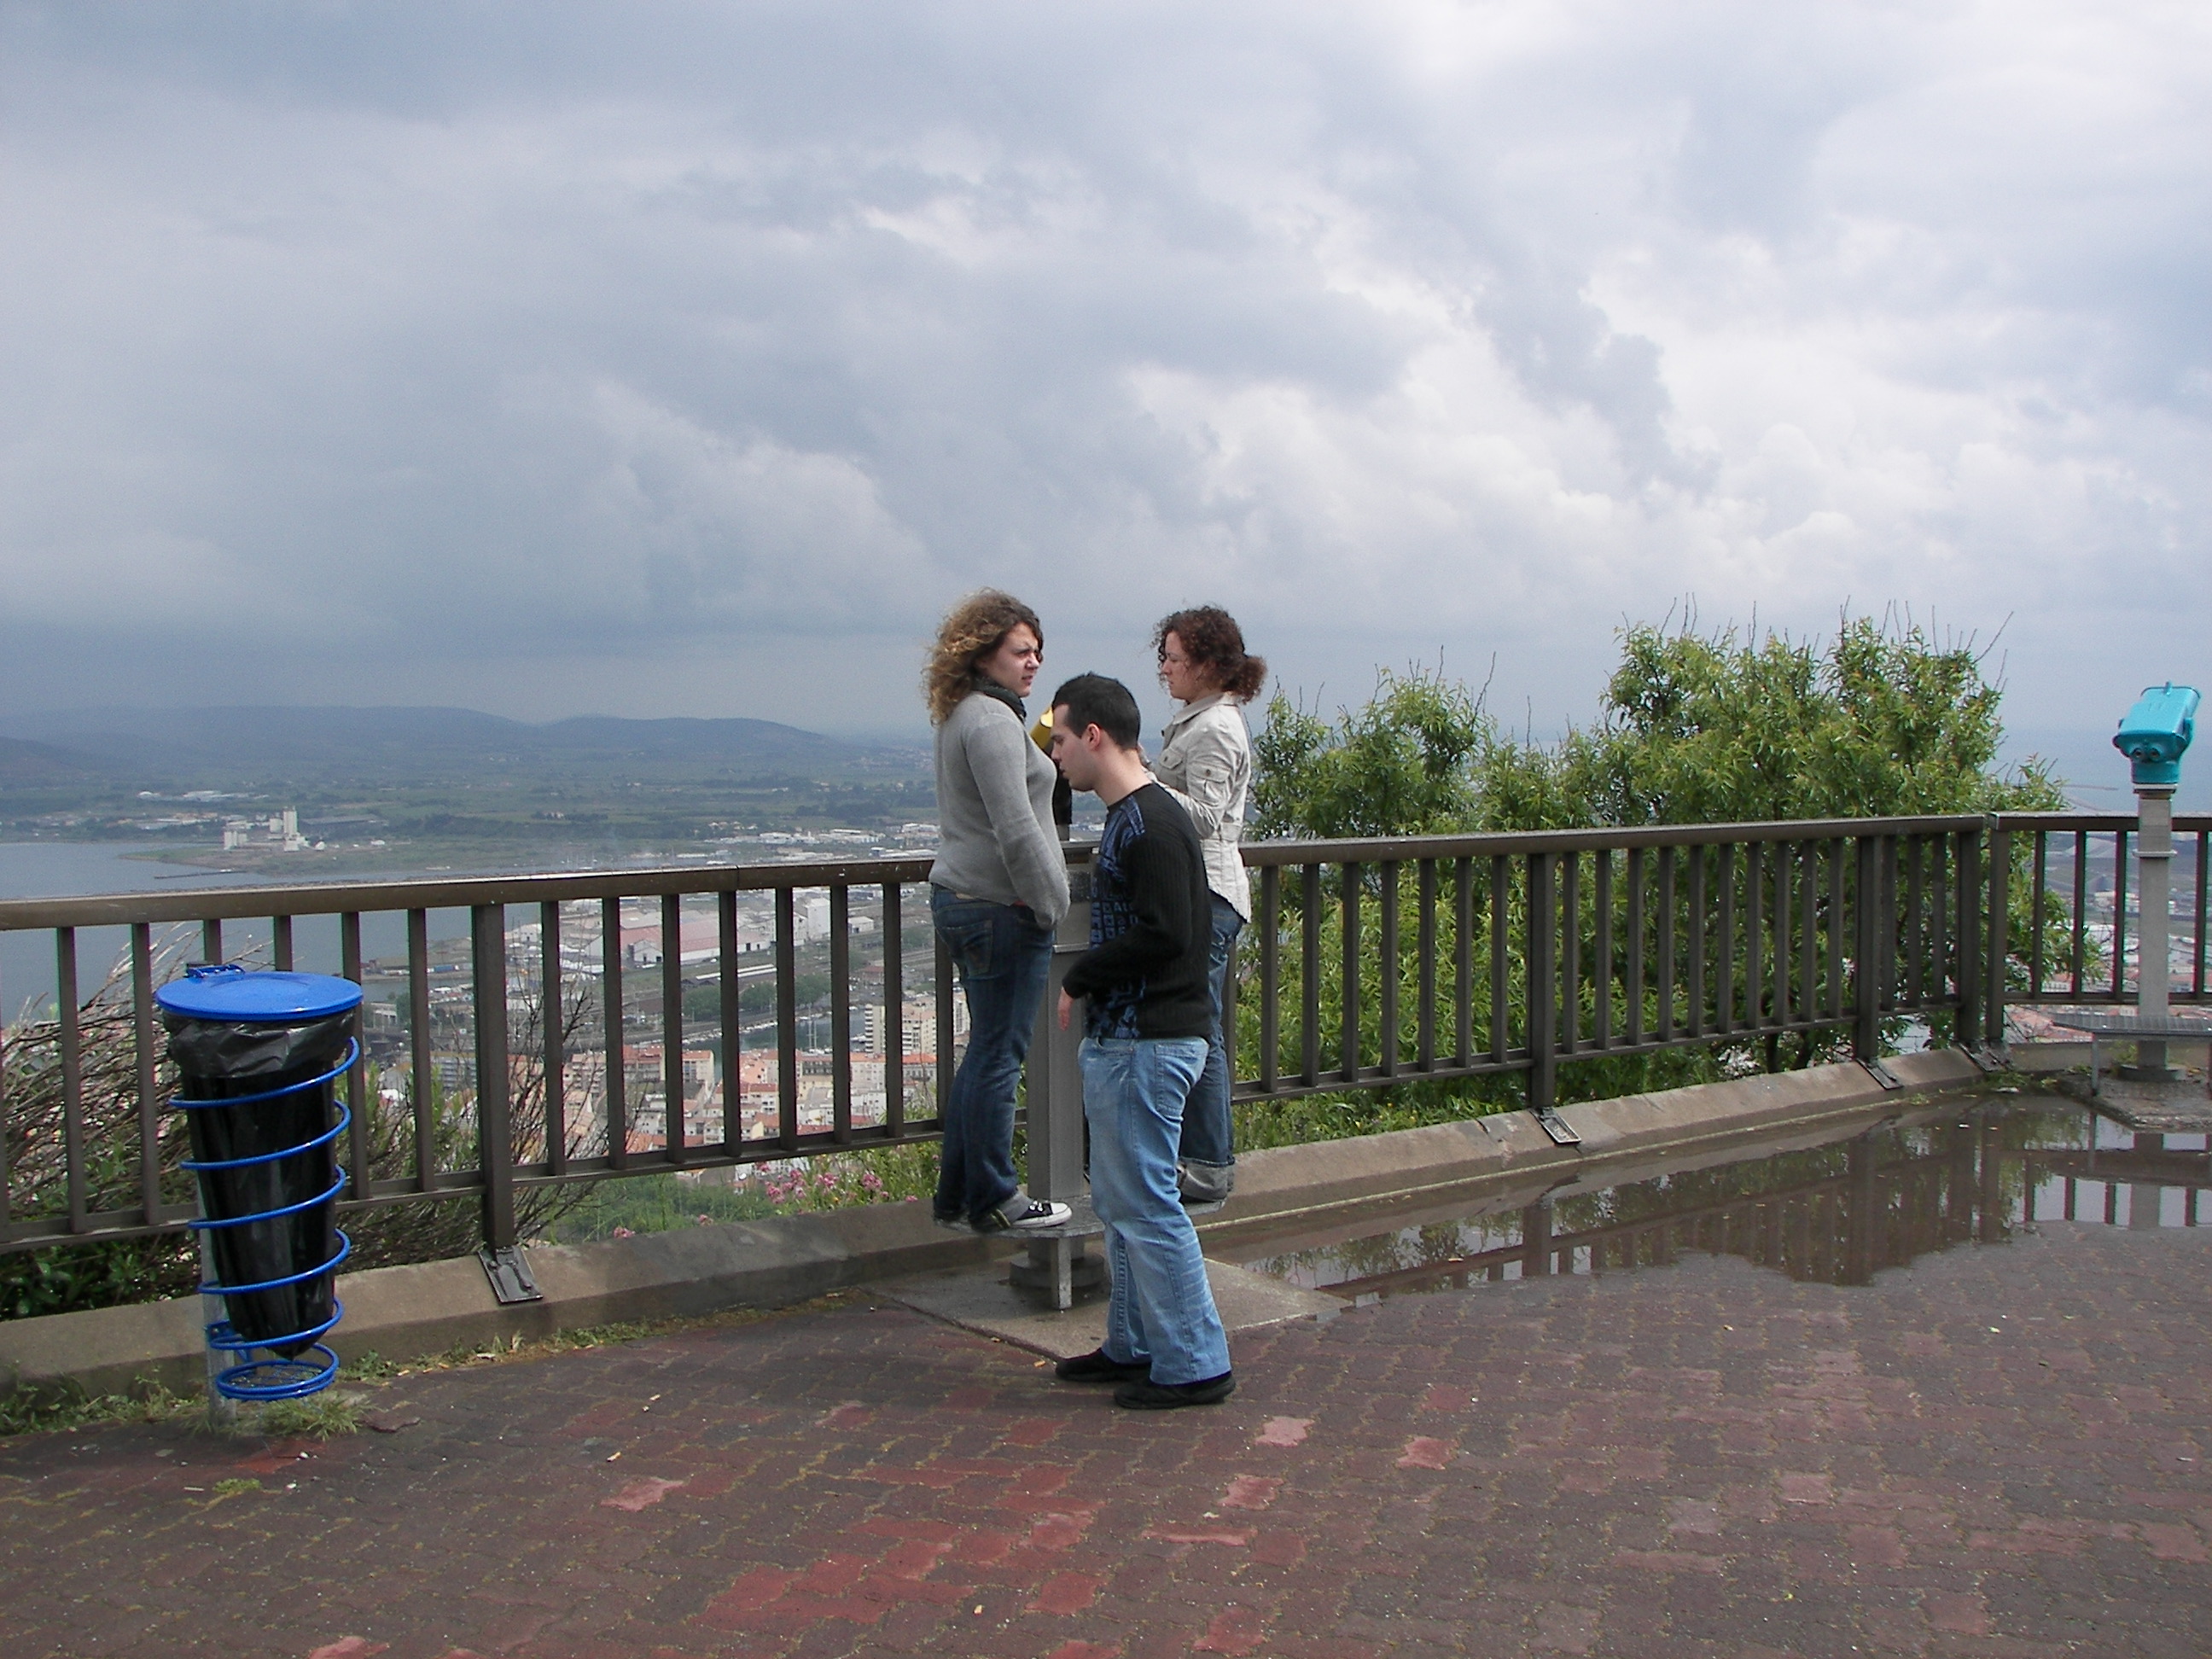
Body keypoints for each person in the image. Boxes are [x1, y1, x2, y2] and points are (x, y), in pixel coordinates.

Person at [1046, 673, 1235, 1410]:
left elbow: (1167, 933)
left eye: (1062, 739)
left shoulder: (1149, 824)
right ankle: (1133, 1343)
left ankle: (1194, 1362)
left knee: (1148, 1206)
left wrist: (1082, 976)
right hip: (1141, 1040)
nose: (1056, 754)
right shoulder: (1140, 815)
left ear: (1094, 736)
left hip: (1145, 1041)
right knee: (1124, 1204)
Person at [923, 591, 1073, 1232]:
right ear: (983, 653)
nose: (1033, 662)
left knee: (984, 1051)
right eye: (1021, 651)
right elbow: (1015, 829)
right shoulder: (990, 721)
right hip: (1000, 907)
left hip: (969, 900)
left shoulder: (971, 713)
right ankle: (995, 1197)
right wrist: (1051, 904)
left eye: (1037, 651)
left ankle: (959, 1195)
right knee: (999, 1056)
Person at [1150, 607, 1266, 1206]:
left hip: (1208, 894)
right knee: (1196, 1025)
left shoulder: (1216, 727)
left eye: (1173, 658)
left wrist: (1140, 781)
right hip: (1196, 893)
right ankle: (1200, 1157)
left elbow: (1206, 816)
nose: (1165, 669)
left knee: (1201, 1029)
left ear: (1204, 665)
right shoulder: (1201, 720)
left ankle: (1210, 1161)